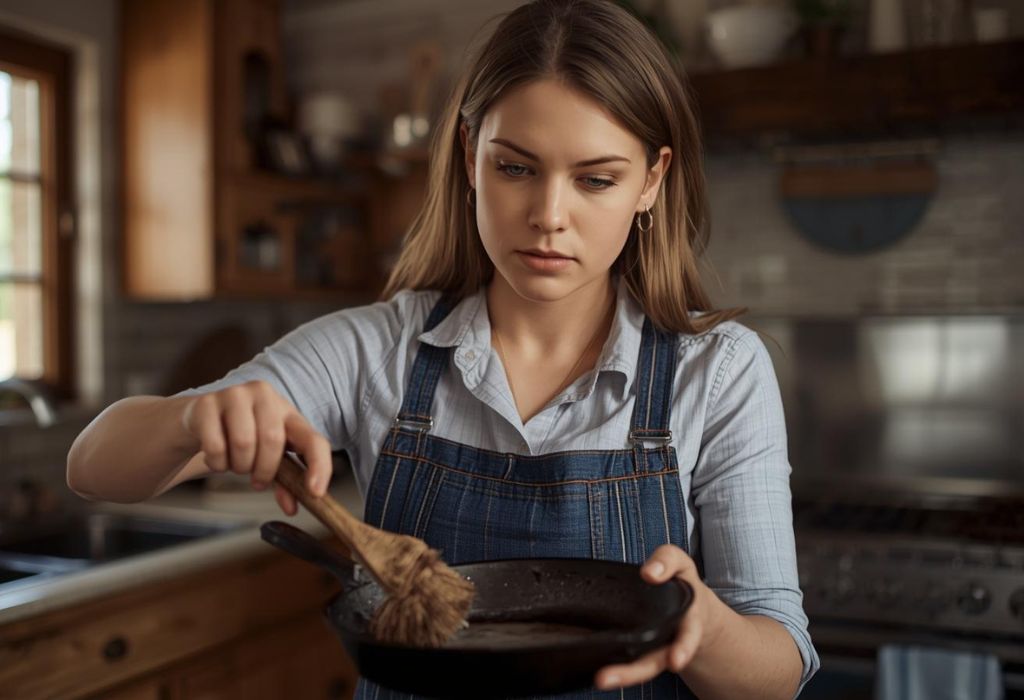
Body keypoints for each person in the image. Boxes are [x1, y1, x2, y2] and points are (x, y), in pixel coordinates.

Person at [68, 0, 819, 697]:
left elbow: (777, 672)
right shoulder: (377, 351)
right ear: (469, 155)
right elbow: (94, 468)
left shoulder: (717, 370)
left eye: (595, 180)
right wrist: (189, 423)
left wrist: (705, 624)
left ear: (651, 181)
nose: (548, 216)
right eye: (515, 167)